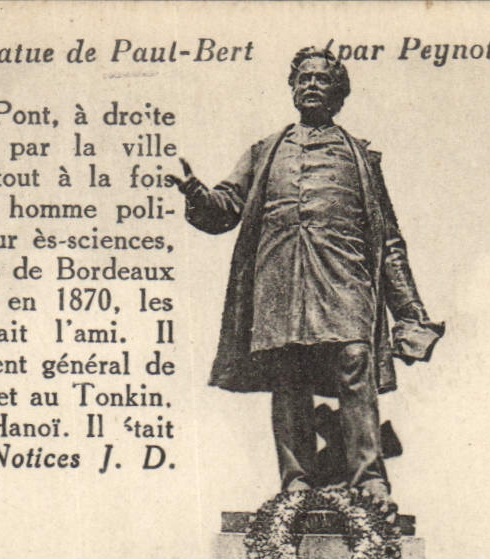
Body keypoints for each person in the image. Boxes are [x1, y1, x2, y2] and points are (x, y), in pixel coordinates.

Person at [171, 47, 442, 502]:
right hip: (282, 282)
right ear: (293, 88)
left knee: (355, 360)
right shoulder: (264, 151)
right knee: (290, 374)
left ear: (339, 93)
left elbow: (389, 242)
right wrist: (197, 194)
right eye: (303, 78)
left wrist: (410, 313)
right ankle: (296, 480)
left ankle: (368, 478)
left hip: (344, 276)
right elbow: (226, 209)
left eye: (322, 79)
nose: (311, 85)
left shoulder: (361, 159)